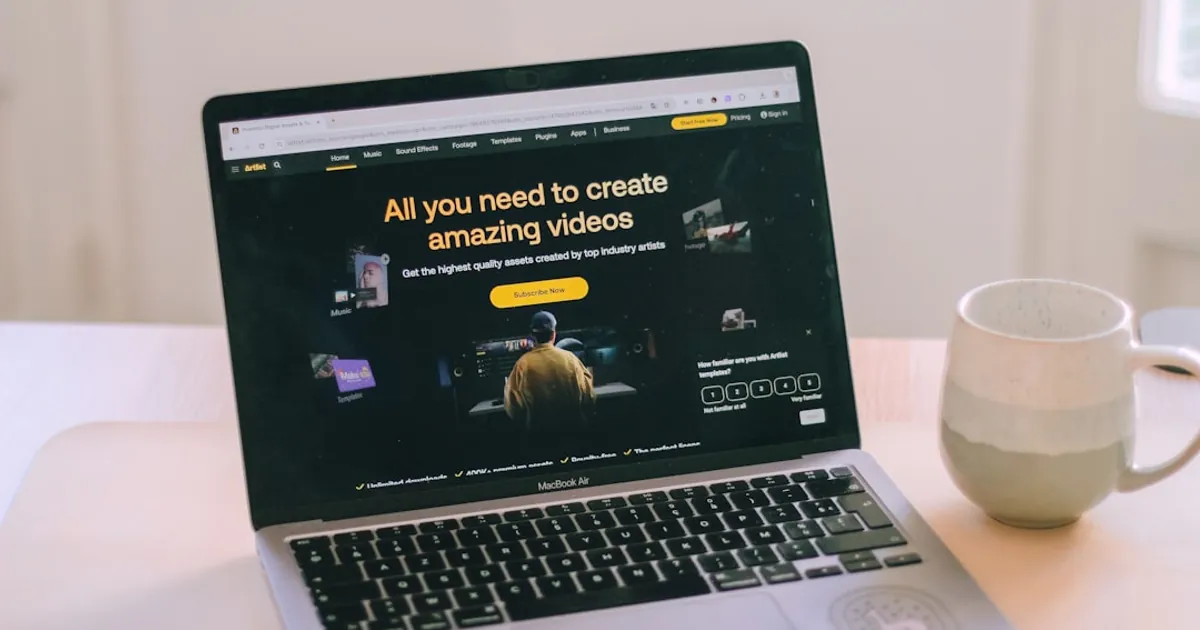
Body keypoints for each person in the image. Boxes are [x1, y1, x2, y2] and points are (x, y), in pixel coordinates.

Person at [504, 311, 596, 431]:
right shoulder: (571, 359)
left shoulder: (522, 364)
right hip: (574, 431)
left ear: (533, 335)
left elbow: (513, 408)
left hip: (541, 436)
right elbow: (589, 397)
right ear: (553, 334)